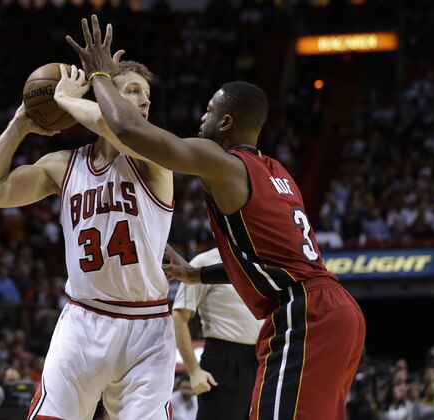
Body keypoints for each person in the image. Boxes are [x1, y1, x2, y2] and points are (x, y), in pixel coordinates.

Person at [66, 15, 366, 420]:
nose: (201, 120)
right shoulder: (279, 173)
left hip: (304, 313)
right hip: (335, 308)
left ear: (225, 123)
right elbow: (272, 262)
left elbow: (130, 131)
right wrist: (196, 275)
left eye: (208, 112)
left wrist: (99, 74)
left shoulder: (222, 161)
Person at [0, 59, 176, 419]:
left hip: (147, 327)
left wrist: (65, 99)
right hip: (83, 319)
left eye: (148, 95)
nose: (145, 102)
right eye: (133, 91)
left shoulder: (153, 157)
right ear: (105, 95)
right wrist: (19, 126)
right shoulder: (62, 166)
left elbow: (114, 128)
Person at [170, 247, 263, 420]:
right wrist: (193, 370)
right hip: (224, 360)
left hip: (262, 360)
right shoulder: (203, 262)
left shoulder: (263, 261)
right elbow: (179, 316)